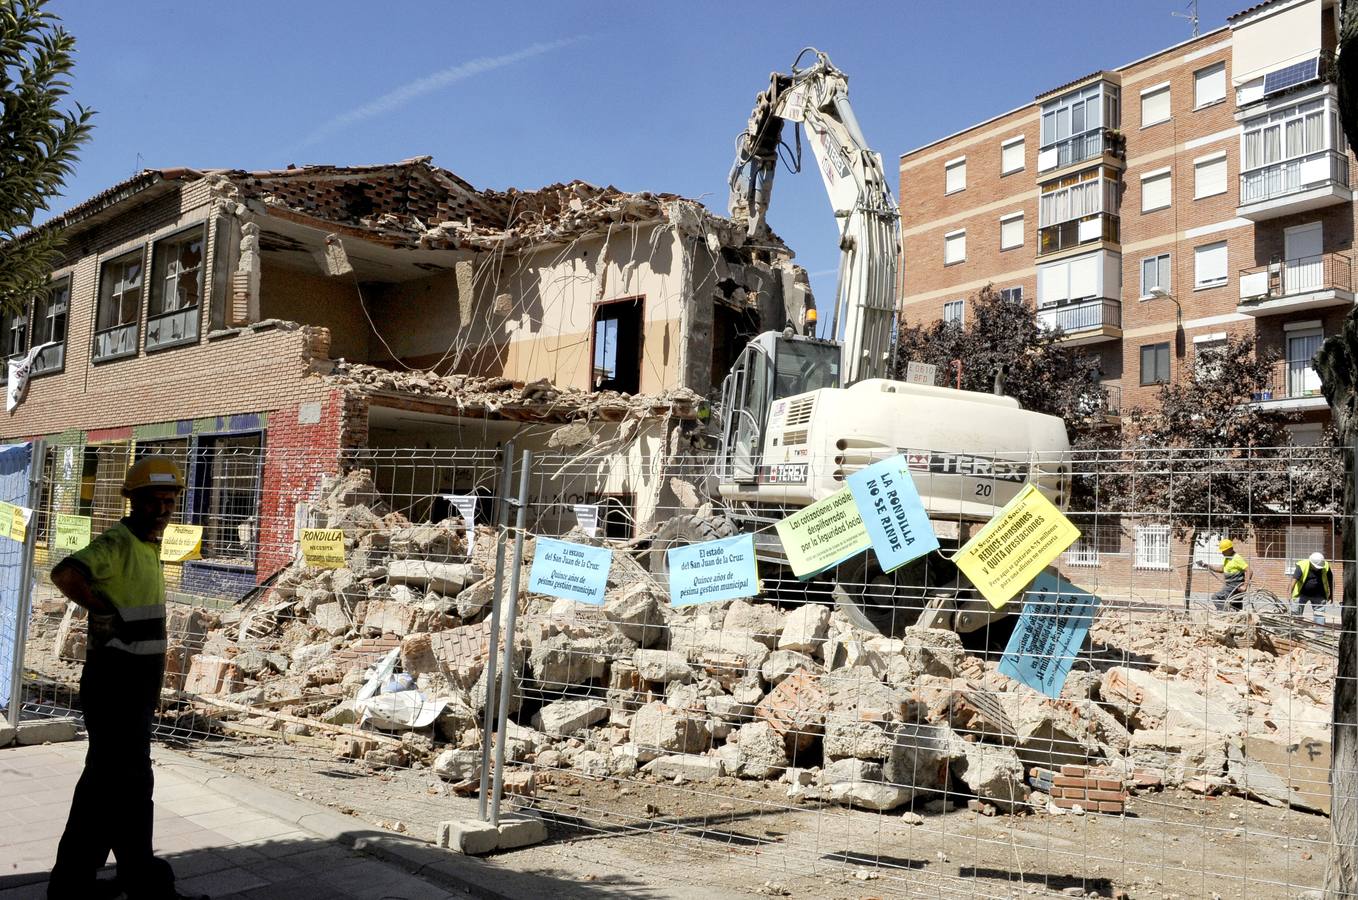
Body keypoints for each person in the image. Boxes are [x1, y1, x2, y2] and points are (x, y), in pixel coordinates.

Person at [46, 457, 205, 900]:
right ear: (133, 501)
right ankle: (138, 880)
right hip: (115, 683)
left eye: (169, 501)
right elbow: (64, 573)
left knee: (109, 785)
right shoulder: (119, 541)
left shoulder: (149, 546)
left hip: (134, 684)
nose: (162, 509)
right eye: (153, 501)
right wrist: (101, 609)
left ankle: (80, 883)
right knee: (126, 784)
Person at [1197, 538, 1251, 610]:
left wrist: (1245, 586)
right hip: (1231, 586)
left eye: (1224, 551)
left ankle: (1226, 613)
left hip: (1234, 587)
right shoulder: (1228, 558)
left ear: (1230, 549)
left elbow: (1249, 570)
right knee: (1235, 606)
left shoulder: (1236, 558)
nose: (1222, 553)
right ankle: (1236, 615)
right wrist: (1206, 565)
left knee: (1216, 597)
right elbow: (1222, 569)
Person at [1289, 551, 1333, 625]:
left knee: (1320, 616)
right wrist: (1289, 595)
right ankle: (1295, 630)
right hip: (1301, 594)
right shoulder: (1302, 565)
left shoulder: (1326, 566)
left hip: (1319, 595)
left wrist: (1332, 594)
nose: (1318, 568)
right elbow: (1293, 581)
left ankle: (1319, 632)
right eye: (1316, 566)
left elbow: (1331, 580)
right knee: (1296, 614)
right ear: (1311, 562)